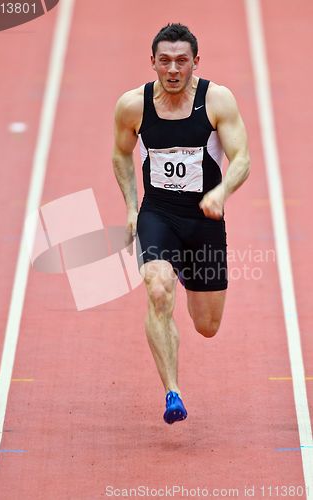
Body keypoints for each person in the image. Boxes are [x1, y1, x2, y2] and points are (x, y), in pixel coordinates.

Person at [112, 23, 250, 424]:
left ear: (195, 63)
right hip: (159, 215)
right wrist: (130, 207)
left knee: (207, 326)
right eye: (165, 61)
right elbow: (121, 155)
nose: (173, 69)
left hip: (204, 220)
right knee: (158, 288)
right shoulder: (132, 106)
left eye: (182, 61)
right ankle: (172, 392)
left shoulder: (217, 100)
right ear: (153, 62)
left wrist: (221, 193)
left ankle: (187, 273)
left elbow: (242, 157)